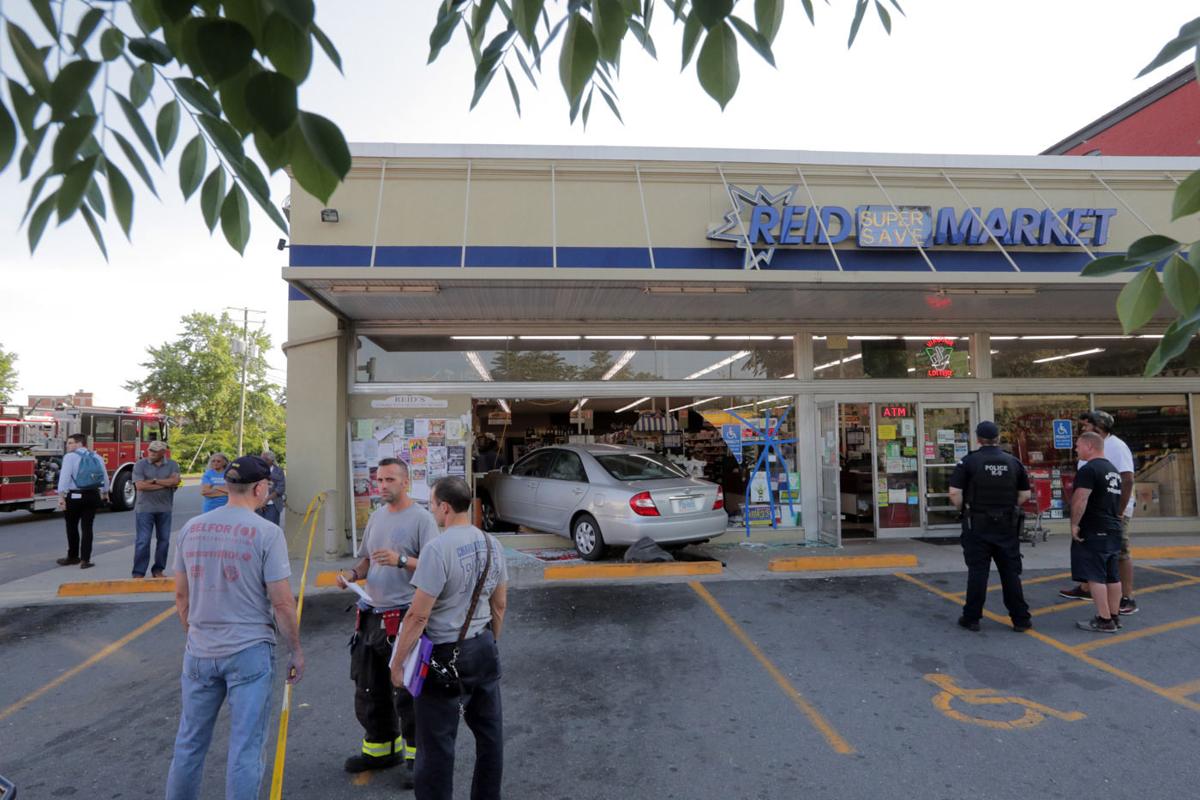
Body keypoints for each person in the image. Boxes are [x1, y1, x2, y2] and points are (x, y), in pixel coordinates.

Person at [165, 455, 303, 800]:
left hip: (199, 649)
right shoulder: (267, 533)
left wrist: (195, 634)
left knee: (189, 744)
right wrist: (295, 651)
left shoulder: (191, 529)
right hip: (248, 649)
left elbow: (181, 596)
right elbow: (282, 603)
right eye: (266, 486)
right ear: (259, 488)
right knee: (246, 747)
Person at [390, 476, 508, 800]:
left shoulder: (437, 549)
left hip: (444, 655)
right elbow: (499, 604)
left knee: (436, 746)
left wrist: (398, 664)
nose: (432, 510)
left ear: (444, 507)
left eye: (432, 504)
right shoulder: (492, 544)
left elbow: (418, 616)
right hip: (483, 647)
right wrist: (489, 642)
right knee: (490, 737)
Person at [335, 458, 438, 779]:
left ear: (405, 482)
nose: (382, 485)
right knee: (369, 688)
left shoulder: (422, 519)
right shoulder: (377, 516)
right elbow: (367, 560)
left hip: (404, 617)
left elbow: (435, 566)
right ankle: (380, 750)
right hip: (371, 614)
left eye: (389, 479)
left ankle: (419, 760)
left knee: (407, 692)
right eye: (379, 480)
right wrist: (352, 574)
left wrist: (401, 560)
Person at [948, 420, 1033, 633]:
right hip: (1006, 525)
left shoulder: (968, 461)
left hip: (978, 524)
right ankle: (1021, 619)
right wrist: (1007, 507)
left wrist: (964, 510)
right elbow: (1025, 494)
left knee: (978, 572)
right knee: (1010, 572)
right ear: (998, 438)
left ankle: (972, 618)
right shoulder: (1013, 462)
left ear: (978, 439)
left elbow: (954, 493)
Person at [1059, 410, 1138, 614]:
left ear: (1099, 427)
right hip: (1095, 509)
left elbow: (1128, 479)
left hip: (1113, 509)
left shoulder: (1116, 446)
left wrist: (1119, 511)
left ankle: (1127, 597)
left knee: (1120, 552)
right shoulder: (1091, 448)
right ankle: (1086, 587)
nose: (1083, 428)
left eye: (1087, 425)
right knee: (1090, 548)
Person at [1070, 432, 1126, 634]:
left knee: (1095, 576)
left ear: (1089, 446)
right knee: (1112, 575)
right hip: (1113, 527)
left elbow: (1081, 498)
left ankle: (1104, 619)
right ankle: (1114, 616)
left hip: (1095, 527)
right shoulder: (1112, 470)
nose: (1076, 449)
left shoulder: (1089, 469)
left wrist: (1074, 524)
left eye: (1078, 445)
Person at [56, 433, 109, 569]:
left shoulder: (70, 457)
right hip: (92, 495)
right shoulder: (96, 456)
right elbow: (104, 476)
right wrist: (105, 493)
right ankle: (85, 560)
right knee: (87, 528)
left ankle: (73, 556)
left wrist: (61, 496)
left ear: (79, 443)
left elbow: (64, 477)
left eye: (70, 443)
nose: (67, 446)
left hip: (74, 496)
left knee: (72, 526)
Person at [131, 440, 181, 578]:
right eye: (150, 450)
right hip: (144, 509)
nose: (151, 453)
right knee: (143, 541)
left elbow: (175, 482)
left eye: (155, 451)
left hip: (165, 508)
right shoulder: (140, 464)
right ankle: (138, 572)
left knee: (164, 541)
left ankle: (158, 570)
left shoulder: (172, 464)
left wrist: (153, 480)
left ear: (163, 453)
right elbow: (140, 486)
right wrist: (166, 483)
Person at [257, 450, 287, 526]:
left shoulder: (278, 471)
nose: (262, 461)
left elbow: (280, 489)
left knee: (271, 527)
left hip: (273, 504)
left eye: (265, 459)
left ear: (271, 461)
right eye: (261, 458)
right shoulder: (257, 470)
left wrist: (266, 500)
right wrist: (260, 501)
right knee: (259, 528)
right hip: (258, 504)